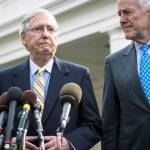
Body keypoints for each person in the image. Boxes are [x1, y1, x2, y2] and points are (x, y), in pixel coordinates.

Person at [0, 9, 103, 150]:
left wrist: (69, 142)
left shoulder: (79, 74)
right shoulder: (3, 78)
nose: (46, 34)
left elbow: (93, 125)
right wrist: (7, 142)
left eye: (51, 29)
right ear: (23, 38)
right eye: (38, 29)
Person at [101, 0, 150, 149]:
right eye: (119, 14)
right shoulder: (113, 62)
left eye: (128, 12)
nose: (121, 20)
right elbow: (109, 124)